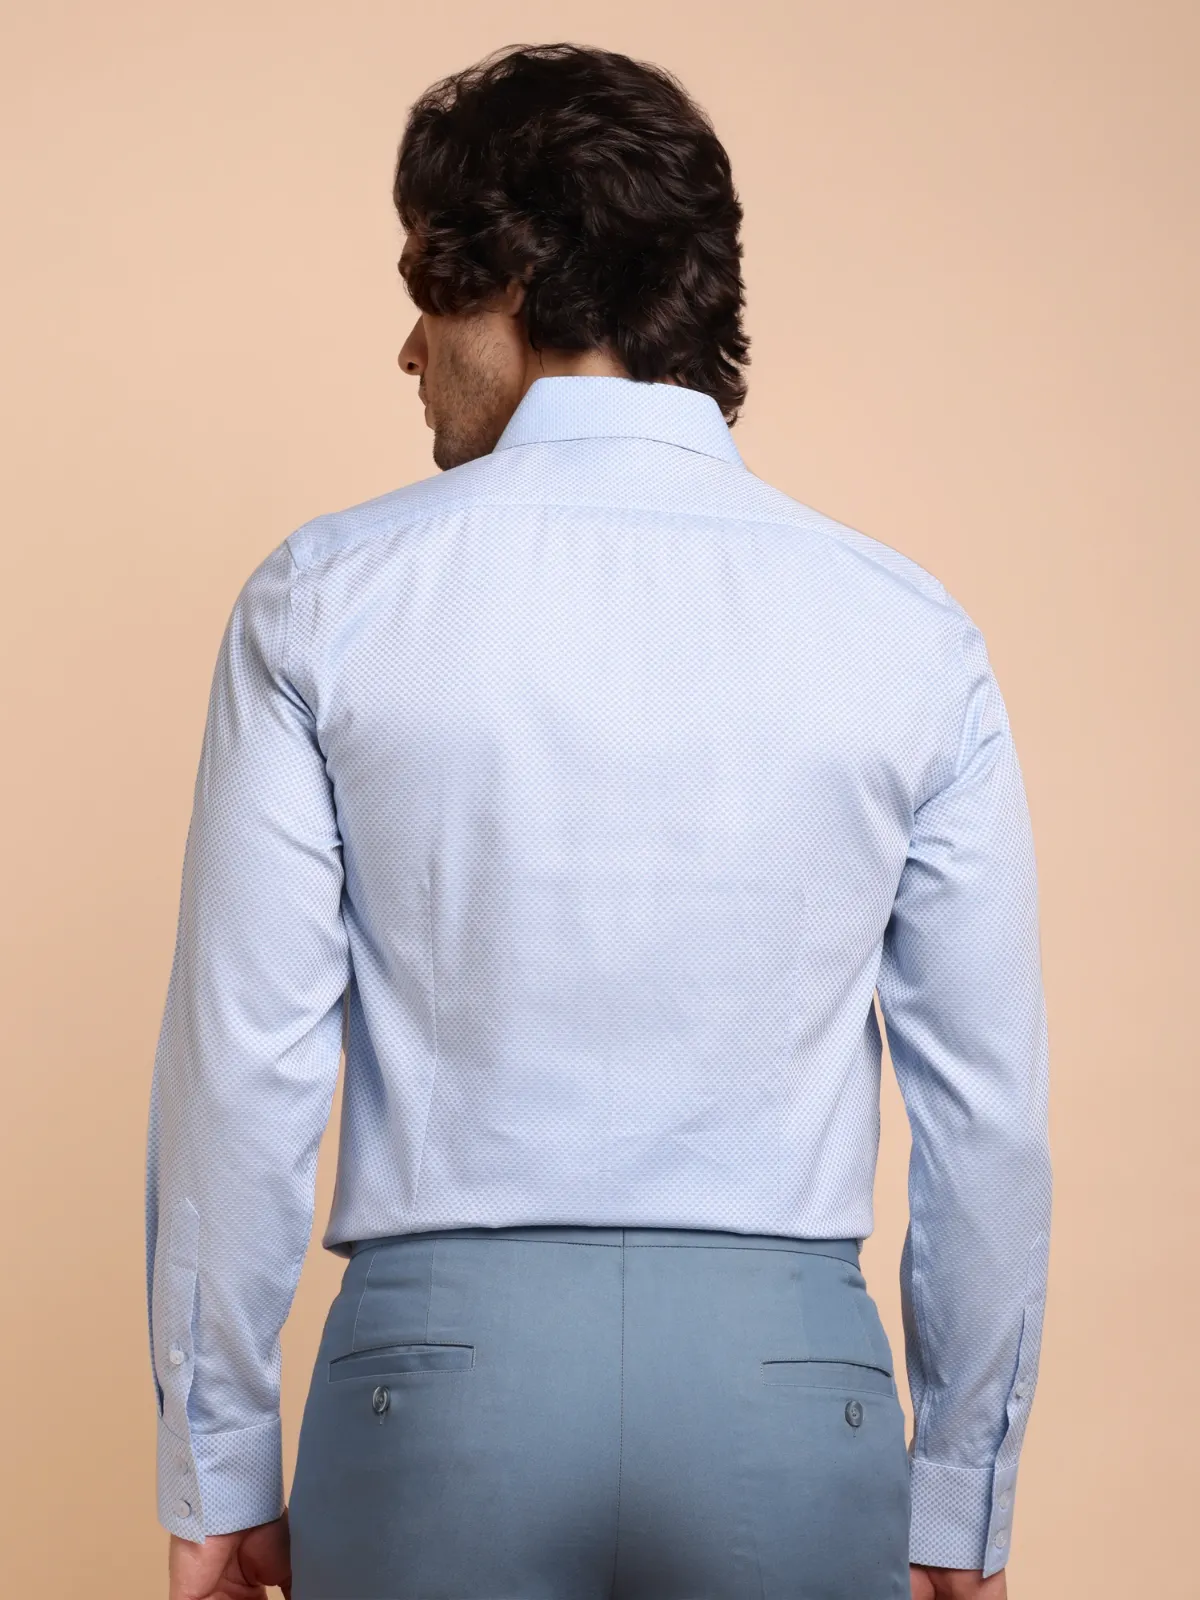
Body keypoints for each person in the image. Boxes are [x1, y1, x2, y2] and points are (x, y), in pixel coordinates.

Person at [145, 41, 1052, 1600]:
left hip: (434, 1394)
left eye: (427, 292)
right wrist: (962, 1492)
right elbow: (989, 1115)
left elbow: (244, 1069)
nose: (410, 351)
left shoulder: (325, 600)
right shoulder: (911, 635)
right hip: (789, 1399)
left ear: (518, 280)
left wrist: (220, 1466)